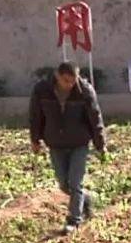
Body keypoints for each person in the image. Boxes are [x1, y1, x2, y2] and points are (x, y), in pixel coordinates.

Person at [28, 62, 106, 234]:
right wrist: (35, 139)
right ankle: (85, 200)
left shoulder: (84, 91)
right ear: (57, 76)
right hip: (55, 144)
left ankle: (74, 221)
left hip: (79, 143)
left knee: (75, 182)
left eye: (73, 80)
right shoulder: (42, 90)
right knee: (64, 184)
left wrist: (100, 144)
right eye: (66, 81)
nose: (70, 85)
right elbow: (35, 116)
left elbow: (95, 118)